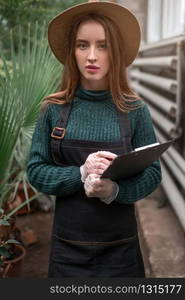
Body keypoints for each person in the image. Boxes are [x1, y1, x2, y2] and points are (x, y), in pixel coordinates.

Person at [27, 0, 161, 278]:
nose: (91, 56)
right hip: (68, 251)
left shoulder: (135, 110)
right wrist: (81, 172)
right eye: (82, 45)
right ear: (71, 51)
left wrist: (114, 192)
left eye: (102, 45)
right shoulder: (53, 109)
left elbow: (152, 173)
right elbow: (36, 171)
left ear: (116, 51)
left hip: (121, 250)